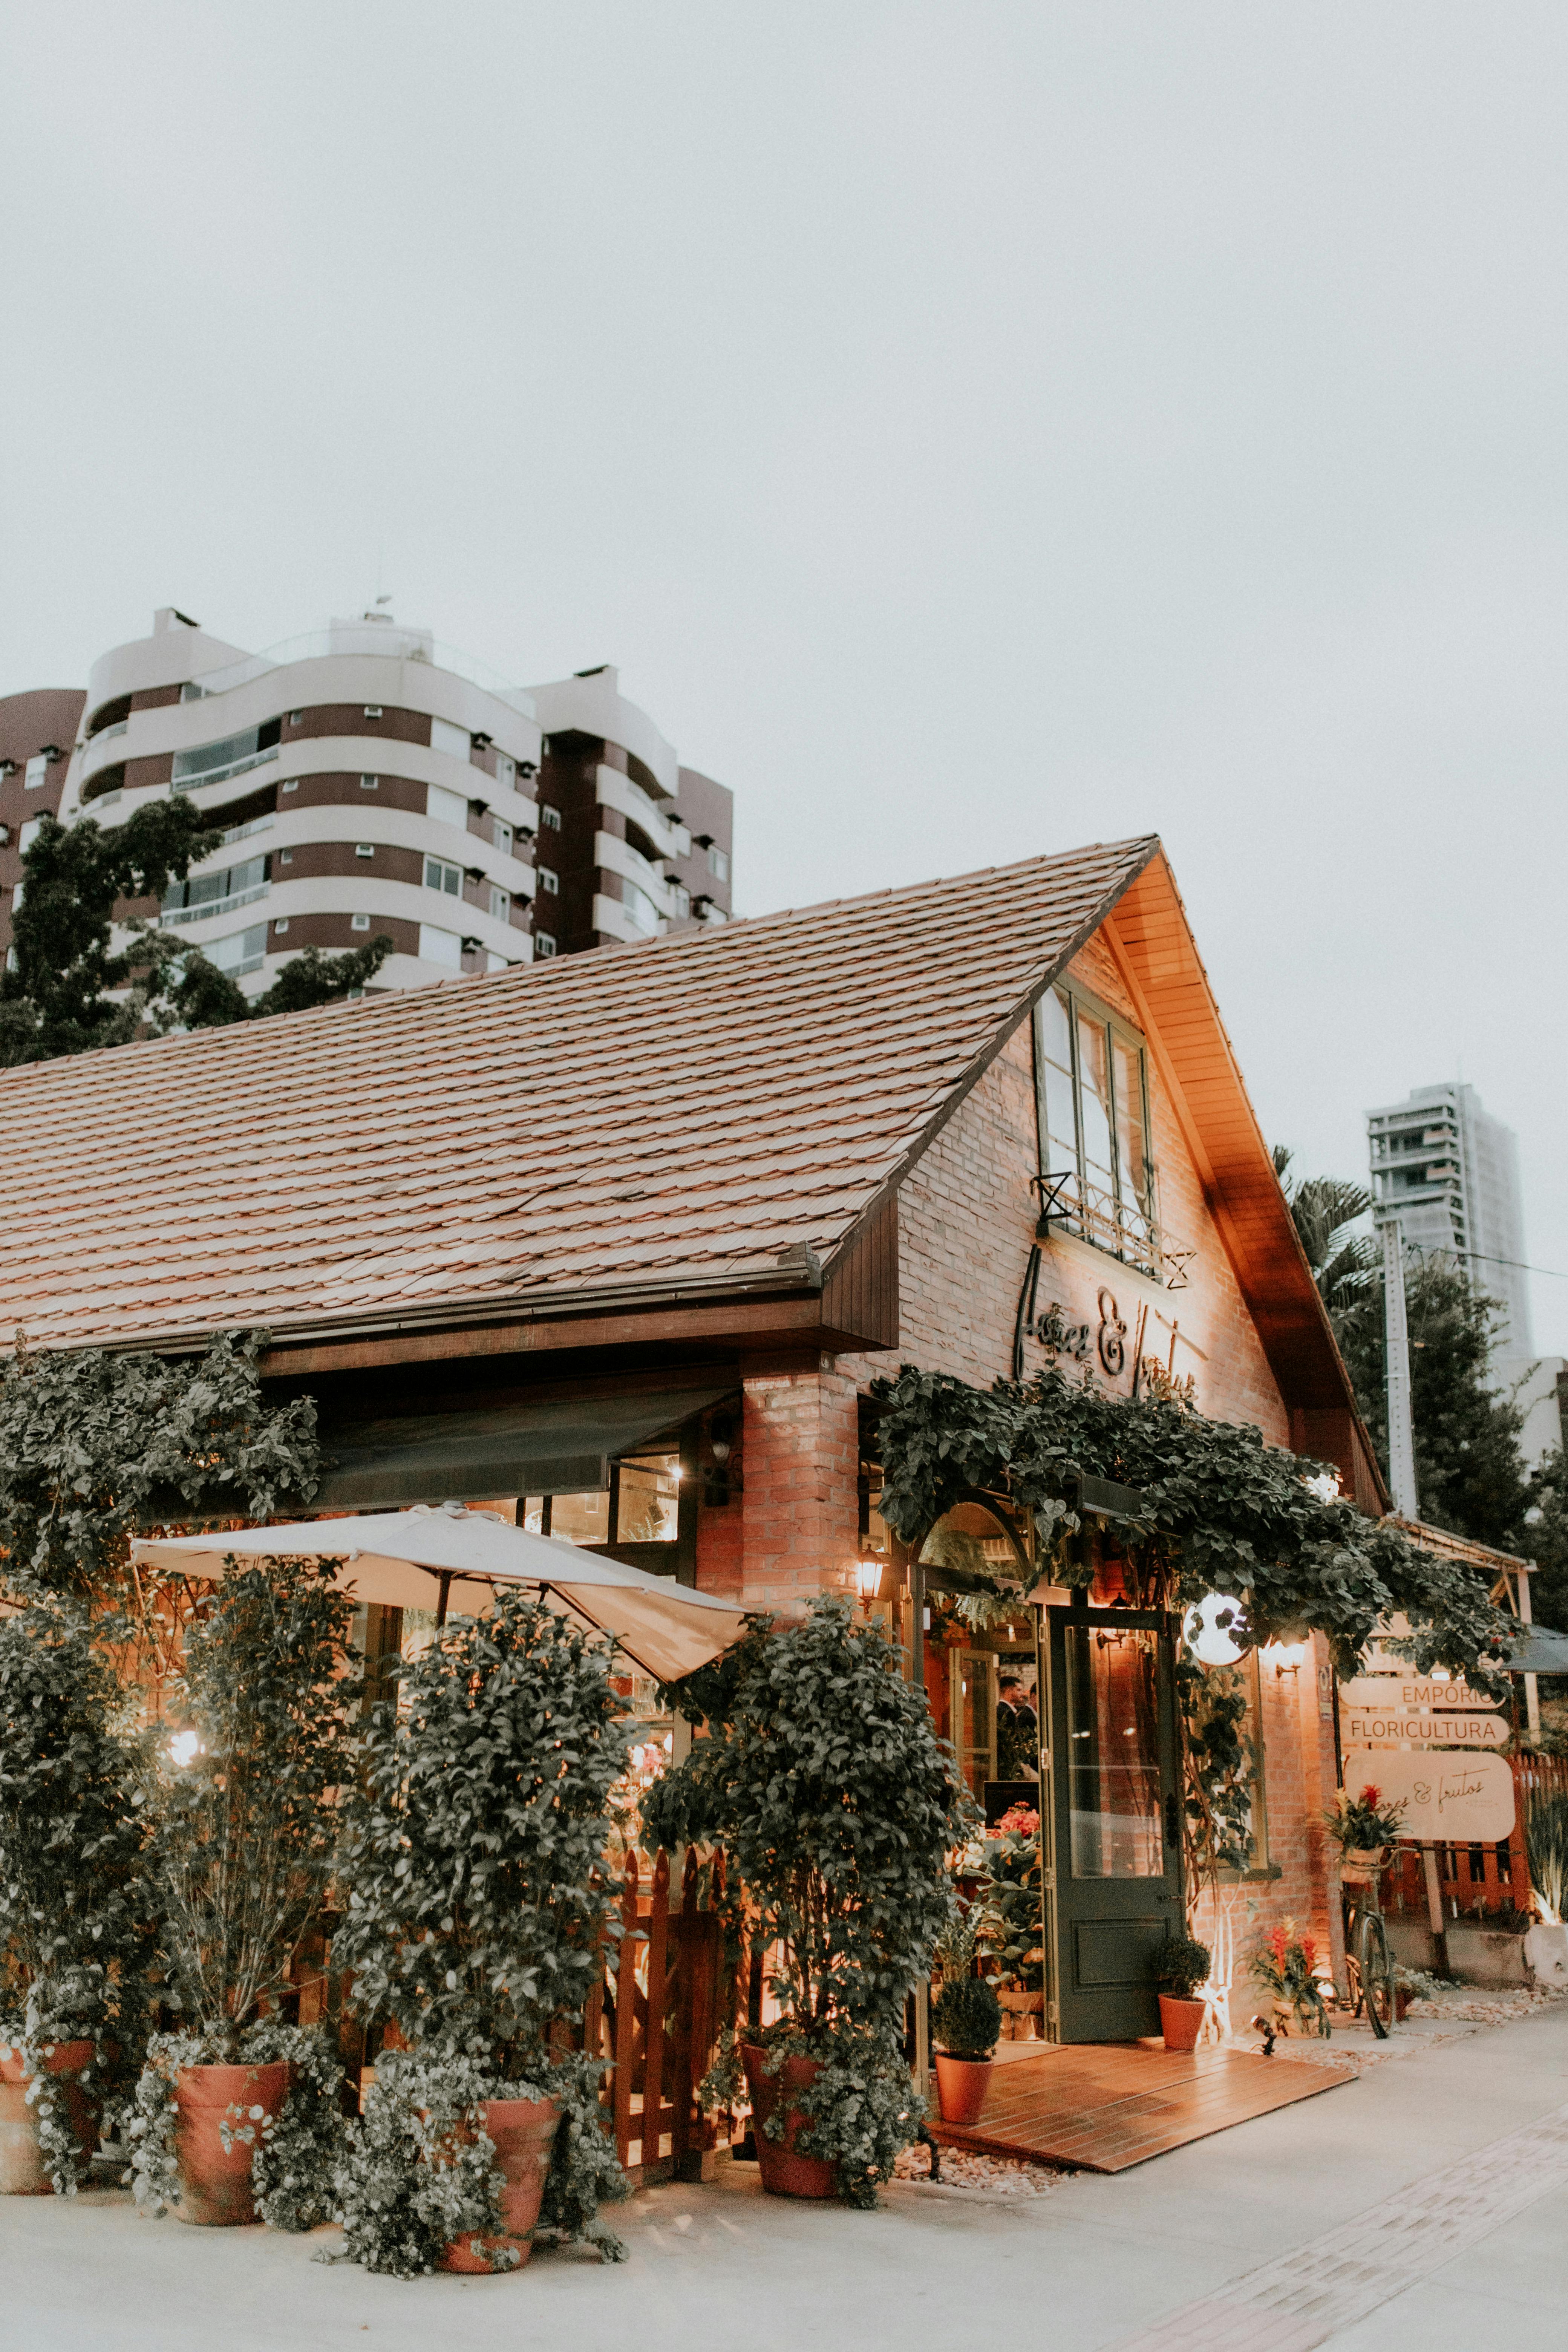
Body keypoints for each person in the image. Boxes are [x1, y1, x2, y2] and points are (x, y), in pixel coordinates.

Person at [995, 1674, 1039, 1782]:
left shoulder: (1004, 1711)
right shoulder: (1007, 1713)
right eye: (1019, 1690)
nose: (1023, 1694)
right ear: (1010, 1691)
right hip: (1013, 1765)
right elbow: (1013, 1740)